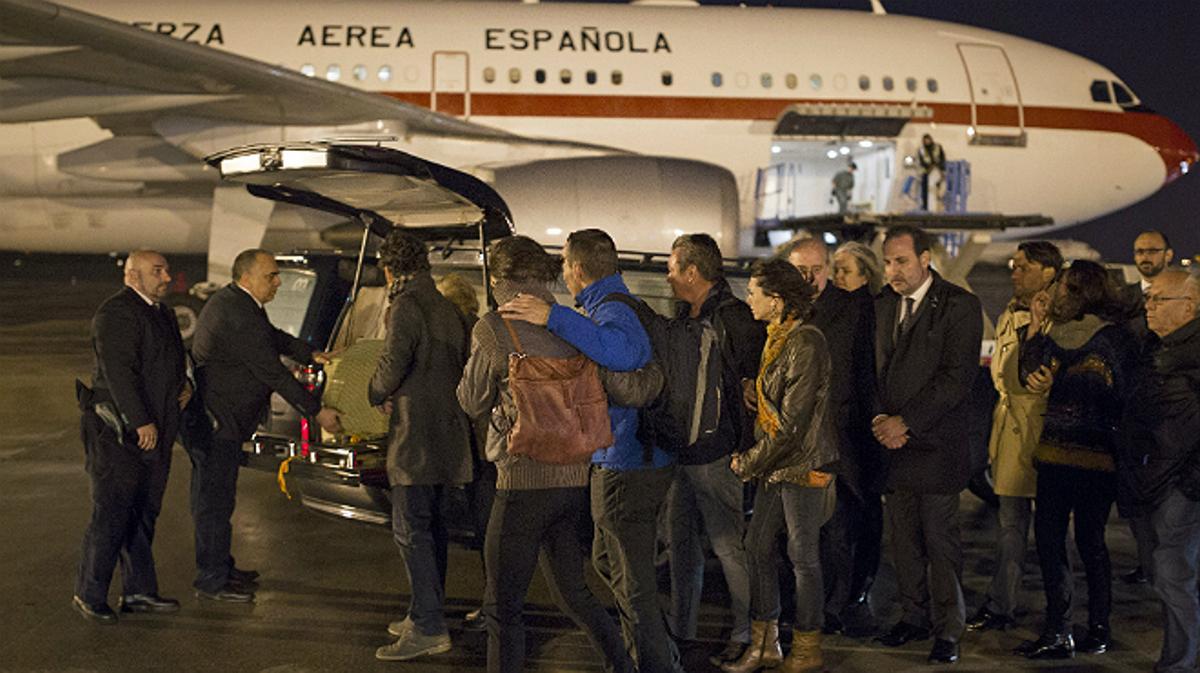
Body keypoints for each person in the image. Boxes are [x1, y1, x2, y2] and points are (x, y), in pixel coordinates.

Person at [500, 229, 682, 673]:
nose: (562, 272)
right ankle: (654, 654)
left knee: (631, 578)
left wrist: (554, 318)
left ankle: (654, 664)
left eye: (563, 264)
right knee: (608, 560)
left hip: (629, 461)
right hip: (627, 458)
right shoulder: (611, 305)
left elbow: (623, 353)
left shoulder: (612, 310)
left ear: (577, 269)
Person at [457, 235, 635, 673]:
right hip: (574, 479)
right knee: (572, 591)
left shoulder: (493, 327)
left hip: (523, 481)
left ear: (498, 278)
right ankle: (623, 665)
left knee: (502, 608)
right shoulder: (570, 323)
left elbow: (472, 401)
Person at [185, 249, 341, 603]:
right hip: (217, 424)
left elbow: (272, 337)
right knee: (214, 501)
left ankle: (220, 567)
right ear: (247, 277)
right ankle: (211, 580)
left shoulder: (239, 304)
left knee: (217, 499)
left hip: (220, 421)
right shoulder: (236, 313)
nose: (277, 281)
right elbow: (270, 370)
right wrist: (315, 411)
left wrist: (310, 354)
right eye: (270, 275)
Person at [1014, 260, 1136, 660]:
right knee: (1048, 541)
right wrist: (1034, 324)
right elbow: (1026, 374)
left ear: (1081, 290)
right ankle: (1057, 628)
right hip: (1053, 456)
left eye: (1063, 286)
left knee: (1091, 543)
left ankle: (1099, 628)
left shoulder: (1115, 339)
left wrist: (1061, 380)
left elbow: (1115, 394)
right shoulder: (1053, 333)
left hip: (1096, 459)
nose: (1057, 292)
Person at [871, 225, 981, 665]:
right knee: (903, 541)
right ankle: (913, 617)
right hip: (892, 445)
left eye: (900, 261)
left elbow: (956, 379)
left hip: (935, 446)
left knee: (940, 541)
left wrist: (906, 422)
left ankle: (948, 628)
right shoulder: (882, 306)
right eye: (888, 262)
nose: (892, 270)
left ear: (925, 258)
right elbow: (872, 371)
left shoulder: (959, 306)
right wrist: (881, 419)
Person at [724, 258, 838, 673]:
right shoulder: (778, 338)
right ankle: (766, 642)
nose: (748, 298)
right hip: (778, 464)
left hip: (802, 464)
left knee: (802, 556)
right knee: (756, 546)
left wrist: (748, 462)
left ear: (776, 299)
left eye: (754, 291)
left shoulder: (806, 342)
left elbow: (792, 426)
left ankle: (808, 648)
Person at [369, 231, 474, 662]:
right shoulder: (448, 307)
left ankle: (429, 627)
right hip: (447, 435)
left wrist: (375, 392)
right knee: (431, 530)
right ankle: (424, 612)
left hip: (415, 438)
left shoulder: (406, 306)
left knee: (410, 530)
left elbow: (394, 363)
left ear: (391, 269)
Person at [72, 251, 189, 624]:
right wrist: (141, 421)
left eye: (167, 269)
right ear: (132, 276)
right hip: (117, 431)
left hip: (154, 429)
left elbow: (171, 360)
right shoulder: (116, 313)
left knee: (143, 512)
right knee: (111, 512)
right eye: (158, 271)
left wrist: (186, 385)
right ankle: (89, 593)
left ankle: (139, 591)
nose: (167, 277)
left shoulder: (162, 312)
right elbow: (119, 372)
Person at [662, 234, 762, 666]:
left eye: (671, 267)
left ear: (691, 272)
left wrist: (743, 447)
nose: (667, 276)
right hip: (682, 451)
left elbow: (756, 387)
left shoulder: (734, 318)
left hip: (718, 453)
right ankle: (682, 630)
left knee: (728, 547)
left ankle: (746, 633)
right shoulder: (685, 313)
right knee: (681, 546)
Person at [783, 237, 879, 637]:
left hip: (835, 440)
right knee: (797, 535)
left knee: (837, 530)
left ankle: (836, 606)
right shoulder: (781, 311)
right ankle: (805, 606)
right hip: (790, 444)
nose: (808, 277)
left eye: (816, 269)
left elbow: (858, 376)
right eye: (799, 270)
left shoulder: (852, 310)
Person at [967, 242, 1063, 633]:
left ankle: (1060, 618)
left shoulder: (1062, 316)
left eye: (1024, 267)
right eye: (1013, 265)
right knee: (1010, 527)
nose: (1014, 273)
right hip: (1009, 432)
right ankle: (1001, 605)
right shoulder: (1011, 311)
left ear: (1049, 273)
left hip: (1045, 434)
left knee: (1052, 532)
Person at [1119, 269, 1200, 673]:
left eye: (1158, 300)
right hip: (1152, 479)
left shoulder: (1192, 353)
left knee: (1173, 572)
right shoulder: (1152, 346)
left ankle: (1180, 662)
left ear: (1189, 305)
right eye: (1148, 298)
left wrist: (1189, 485)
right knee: (1165, 573)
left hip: (1180, 485)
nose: (1148, 306)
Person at [437, 271, 492, 632]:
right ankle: (494, 605)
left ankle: (495, 609)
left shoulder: (464, 333)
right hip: (486, 445)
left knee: (489, 529)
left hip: (480, 444)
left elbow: (469, 395)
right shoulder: (478, 327)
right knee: (490, 529)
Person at [1121, 229, 1174, 585]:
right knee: (1136, 499)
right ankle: (1147, 563)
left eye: (1152, 251)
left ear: (1167, 255)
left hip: (1171, 409)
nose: (1145, 257)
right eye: (1140, 251)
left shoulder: (1184, 294)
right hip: (1132, 409)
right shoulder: (1124, 300)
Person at [917, 134, 946, 210]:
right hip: (926, 172)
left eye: (928, 140)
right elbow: (922, 161)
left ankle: (938, 206)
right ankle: (926, 207)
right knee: (926, 191)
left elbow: (942, 158)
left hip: (937, 171)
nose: (926, 142)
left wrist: (940, 168)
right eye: (925, 141)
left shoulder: (937, 147)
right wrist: (929, 167)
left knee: (937, 190)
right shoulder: (921, 150)